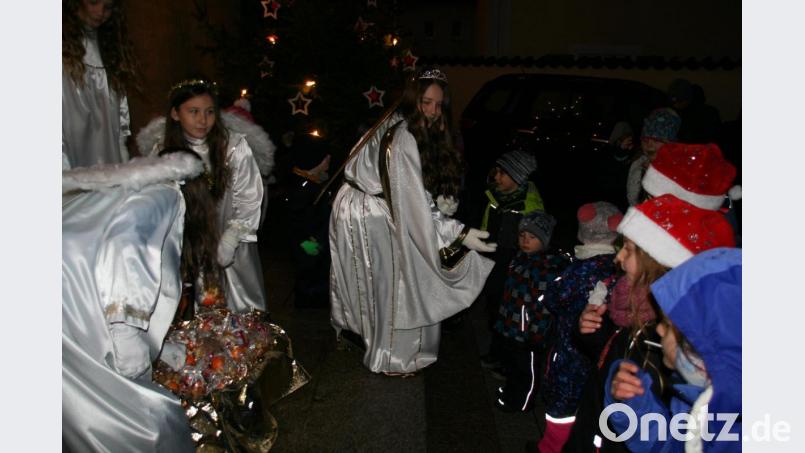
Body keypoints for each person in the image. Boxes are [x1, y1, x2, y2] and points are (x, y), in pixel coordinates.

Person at [329, 68, 496, 375]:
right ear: (412, 99)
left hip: (353, 205)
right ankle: (394, 356)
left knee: (368, 277)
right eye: (426, 102)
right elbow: (414, 204)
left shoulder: (396, 123)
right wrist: (458, 232)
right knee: (398, 278)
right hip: (371, 210)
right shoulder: (403, 136)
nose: (432, 112)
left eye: (438, 105)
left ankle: (360, 334)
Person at [563, 194, 735, 452]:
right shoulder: (627, 301)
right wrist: (589, 332)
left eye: (628, 250)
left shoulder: (673, 342)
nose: (617, 257)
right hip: (592, 427)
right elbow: (611, 355)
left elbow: (660, 435)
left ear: (658, 263)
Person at [63, 152, 202, 451]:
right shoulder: (165, 192)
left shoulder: (132, 185)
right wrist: (126, 330)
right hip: (69, 296)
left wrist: (158, 345)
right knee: (136, 416)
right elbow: (126, 245)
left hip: (72, 291)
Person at [137, 78, 266, 313]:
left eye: (209, 112)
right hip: (185, 244)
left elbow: (249, 196)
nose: (202, 120)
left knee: (237, 308)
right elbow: (155, 197)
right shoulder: (163, 150)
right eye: (193, 111)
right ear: (176, 114)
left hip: (229, 242)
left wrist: (230, 238)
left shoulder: (234, 147)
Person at [605, 247, 741, 451]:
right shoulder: (701, 405)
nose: (659, 329)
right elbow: (666, 444)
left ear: (704, 345)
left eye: (668, 325)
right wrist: (634, 405)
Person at [537, 202, 622, 452]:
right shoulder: (615, 268)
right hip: (597, 355)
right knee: (585, 406)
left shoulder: (579, 270)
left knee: (561, 406)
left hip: (569, 350)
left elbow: (554, 298)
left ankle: (551, 447)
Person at [493, 211, 569, 412]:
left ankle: (522, 402)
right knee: (512, 365)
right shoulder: (520, 257)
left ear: (544, 240)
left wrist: (536, 332)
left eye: (532, 237)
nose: (525, 241)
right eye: (522, 236)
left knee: (527, 370)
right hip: (511, 325)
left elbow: (544, 306)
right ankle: (511, 392)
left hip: (529, 333)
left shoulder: (547, 267)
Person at [478, 149, 544, 374]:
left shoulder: (530, 206)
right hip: (494, 259)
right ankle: (496, 351)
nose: (497, 178)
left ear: (517, 177)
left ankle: (506, 360)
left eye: (503, 174)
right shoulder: (496, 197)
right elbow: (487, 226)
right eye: (497, 172)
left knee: (509, 314)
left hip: (515, 266)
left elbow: (536, 243)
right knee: (494, 307)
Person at [62, 0, 139, 169]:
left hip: (108, 164)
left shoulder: (110, 51)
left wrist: (123, 169)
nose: (100, 12)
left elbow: (119, 121)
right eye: (93, 2)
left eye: (108, 7)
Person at [625, 108, 681, 206]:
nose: (649, 145)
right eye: (645, 140)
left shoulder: (679, 170)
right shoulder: (638, 165)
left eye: (656, 140)